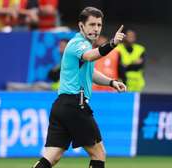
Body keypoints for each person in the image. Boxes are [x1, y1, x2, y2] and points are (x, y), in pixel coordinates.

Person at [31, 7, 126, 168]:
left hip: (62, 106)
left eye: (99, 25)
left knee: (51, 158)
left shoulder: (84, 45)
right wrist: (112, 43)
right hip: (75, 105)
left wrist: (111, 82)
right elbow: (90, 56)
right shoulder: (78, 43)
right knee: (99, 154)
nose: (95, 29)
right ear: (81, 26)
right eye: (92, 24)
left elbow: (91, 72)